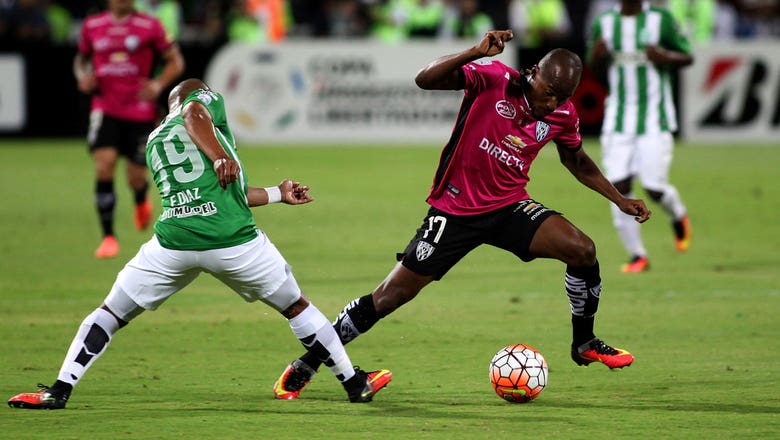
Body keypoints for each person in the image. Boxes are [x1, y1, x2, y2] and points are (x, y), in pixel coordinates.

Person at [272, 30, 651, 400]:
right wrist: (474, 51)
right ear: (533, 71)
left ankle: (584, 341)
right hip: (454, 212)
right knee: (388, 297)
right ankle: (307, 364)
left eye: (562, 98)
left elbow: (577, 160)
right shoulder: (492, 78)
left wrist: (618, 198)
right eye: (549, 93)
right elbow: (424, 80)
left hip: (508, 206)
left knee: (582, 249)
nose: (552, 104)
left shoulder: (563, 115)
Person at [7, 78, 392, 410]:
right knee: (296, 307)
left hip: (173, 245)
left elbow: (227, 191)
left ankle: (59, 389)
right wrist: (221, 153)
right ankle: (354, 383)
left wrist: (277, 193)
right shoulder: (200, 105)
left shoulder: (155, 140)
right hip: (233, 243)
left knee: (109, 313)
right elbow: (194, 114)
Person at [587, 0, 693, 273]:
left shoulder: (662, 20)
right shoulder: (605, 23)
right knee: (617, 187)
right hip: (618, 119)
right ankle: (638, 255)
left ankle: (678, 214)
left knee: (654, 188)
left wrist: (665, 57)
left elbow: (688, 56)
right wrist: (597, 57)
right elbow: (595, 69)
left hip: (654, 119)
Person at [74, 0, 185, 259]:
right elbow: (81, 60)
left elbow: (175, 61)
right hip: (105, 108)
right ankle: (108, 237)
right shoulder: (93, 25)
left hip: (139, 112)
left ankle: (140, 197)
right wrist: (82, 77)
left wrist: (158, 85)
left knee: (135, 176)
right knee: (104, 164)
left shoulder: (150, 26)